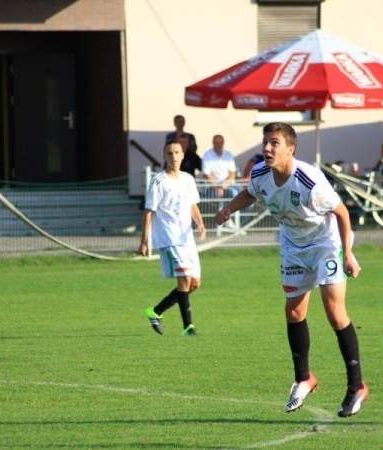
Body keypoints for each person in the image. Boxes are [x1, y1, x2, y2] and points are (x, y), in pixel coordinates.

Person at [214, 122, 368, 418]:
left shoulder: (309, 181)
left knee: (335, 312)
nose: (267, 148)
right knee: (294, 312)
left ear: (290, 149)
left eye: (274, 143)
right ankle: (303, 379)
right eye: (265, 142)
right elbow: (251, 193)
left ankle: (356, 386)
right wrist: (229, 209)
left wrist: (348, 254)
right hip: (293, 245)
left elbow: (341, 212)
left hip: (325, 244)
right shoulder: (260, 173)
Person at [140, 140, 206, 336]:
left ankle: (156, 311)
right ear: (164, 156)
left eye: (177, 152)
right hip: (169, 238)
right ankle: (188, 327)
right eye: (169, 153)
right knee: (184, 279)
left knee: (194, 283)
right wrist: (143, 241)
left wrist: (200, 224)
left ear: (182, 155)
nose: (174, 156)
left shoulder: (188, 179)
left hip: (187, 238)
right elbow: (148, 212)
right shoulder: (158, 181)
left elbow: (192, 205)